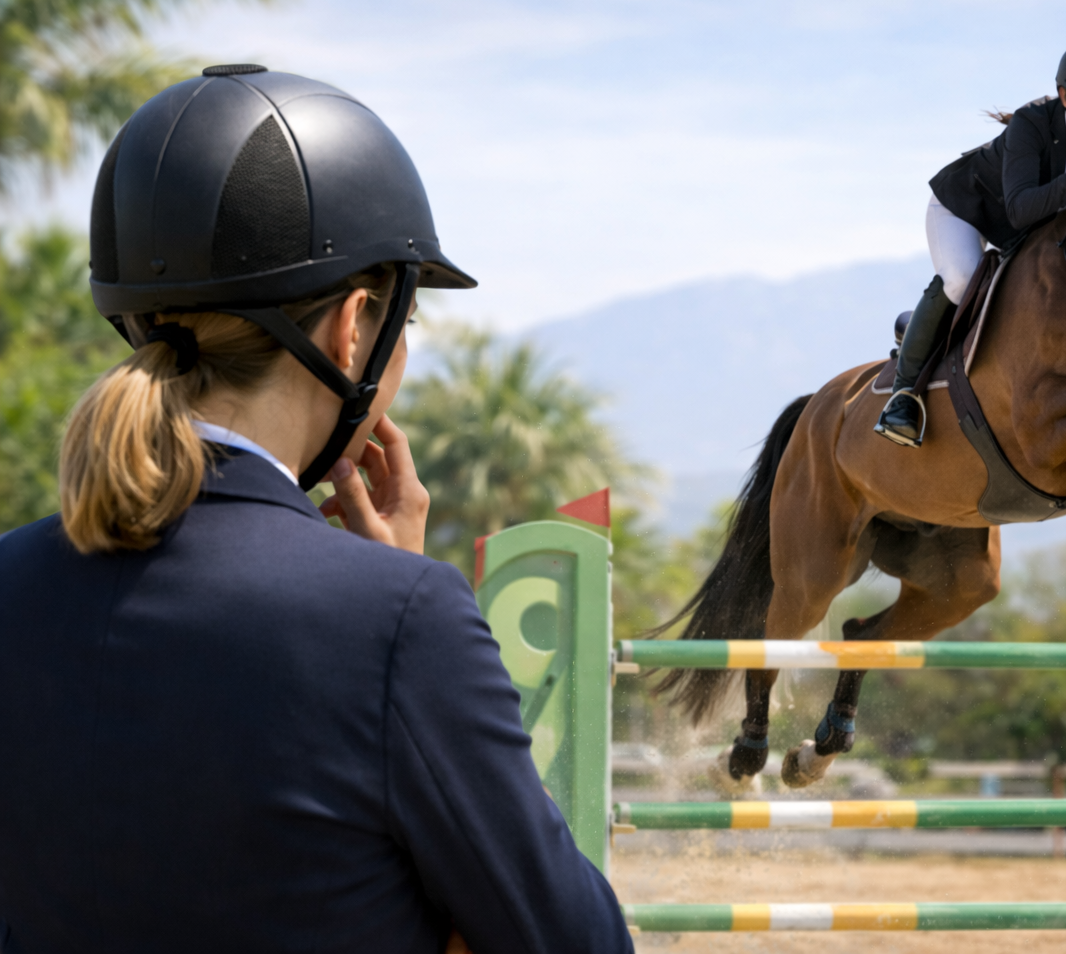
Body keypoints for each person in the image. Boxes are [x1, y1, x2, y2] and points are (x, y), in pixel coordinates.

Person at [0, 66, 632, 953]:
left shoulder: (11, 582)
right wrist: (400, 595)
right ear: (353, 324)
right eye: (403, 326)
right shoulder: (401, 621)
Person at [874, 40, 1066, 447]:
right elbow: (1019, 209)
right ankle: (903, 395)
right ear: (1065, 96)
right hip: (967, 209)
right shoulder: (1032, 124)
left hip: (1029, 232)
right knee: (963, 278)